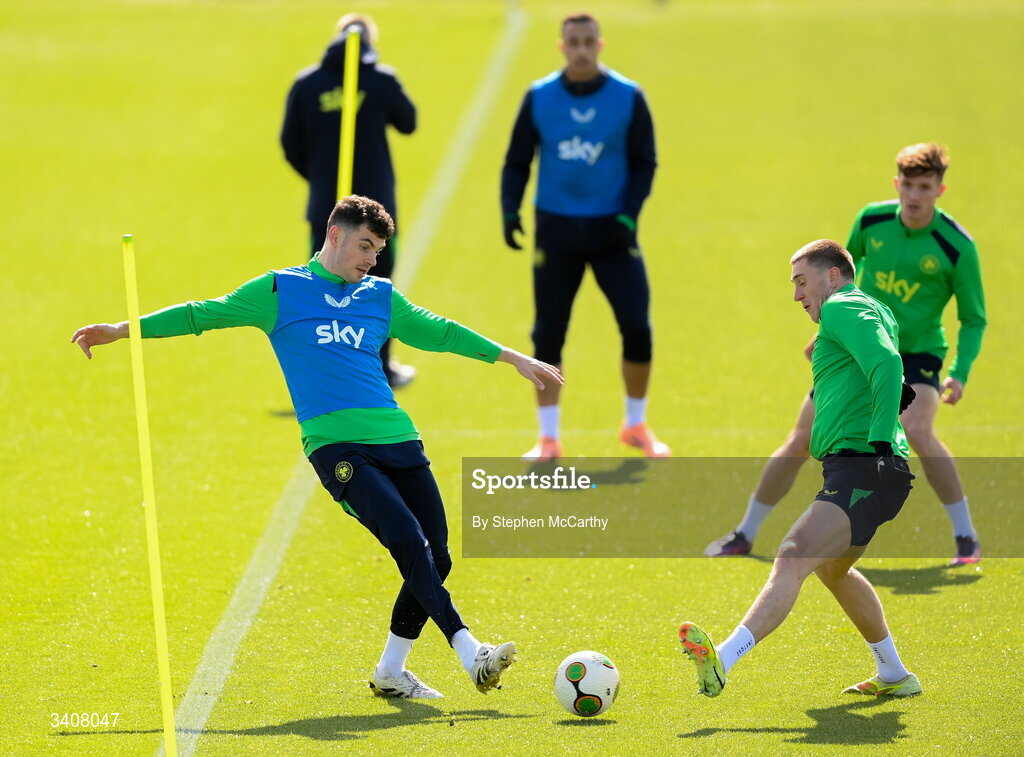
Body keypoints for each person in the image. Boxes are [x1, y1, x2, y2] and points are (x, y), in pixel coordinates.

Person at [72, 195, 563, 699]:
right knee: (408, 541)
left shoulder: (380, 296)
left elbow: (438, 332)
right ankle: (469, 650)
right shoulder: (279, 289)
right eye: (365, 247)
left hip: (398, 437)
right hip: (337, 447)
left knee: (437, 556)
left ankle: (391, 673)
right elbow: (203, 315)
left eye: (378, 250)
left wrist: (509, 358)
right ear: (334, 235)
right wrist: (121, 330)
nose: (372, 259)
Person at [706, 143, 986, 566]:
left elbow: (974, 318)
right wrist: (828, 333)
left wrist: (959, 372)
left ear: (940, 190)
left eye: (924, 187)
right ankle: (745, 532)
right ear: (896, 183)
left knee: (919, 431)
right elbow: (838, 277)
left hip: (916, 353)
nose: (913, 197)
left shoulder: (956, 247)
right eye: (907, 185)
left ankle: (965, 536)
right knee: (801, 438)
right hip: (853, 347)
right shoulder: (871, 220)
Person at [681, 239, 921, 699]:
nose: (796, 295)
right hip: (858, 468)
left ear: (833, 276)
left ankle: (723, 660)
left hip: (865, 468)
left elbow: (889, 362)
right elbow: (879, 364)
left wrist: (880, 437)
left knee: (792, 555)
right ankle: (894, 673)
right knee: (833, 571)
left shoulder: (842, 306)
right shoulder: (868, 307)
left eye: (801, 281)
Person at [500, 12, 668, 462]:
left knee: (637, 326)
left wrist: (629, 216)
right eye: (572, 42)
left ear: (600, 44)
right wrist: (509, 208)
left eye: (588, 42)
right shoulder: (539, 97)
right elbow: (517, 160)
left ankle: (636, 425)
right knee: (548, 334)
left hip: (612, 231)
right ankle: (548, 438)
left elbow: (645, 162)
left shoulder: (628, 97)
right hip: (556, 230)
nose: (580, 50)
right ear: (561, 47)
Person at [281, 13, 417, 388]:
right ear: (370, 42)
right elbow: (409, 121)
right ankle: (382, 368)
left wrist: (319, 179)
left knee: (320, 286)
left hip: (328, 207)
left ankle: (320, 372)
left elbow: (290, 145)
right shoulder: (382, 79)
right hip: (376, 208)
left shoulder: (307, 84)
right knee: (378, 287)